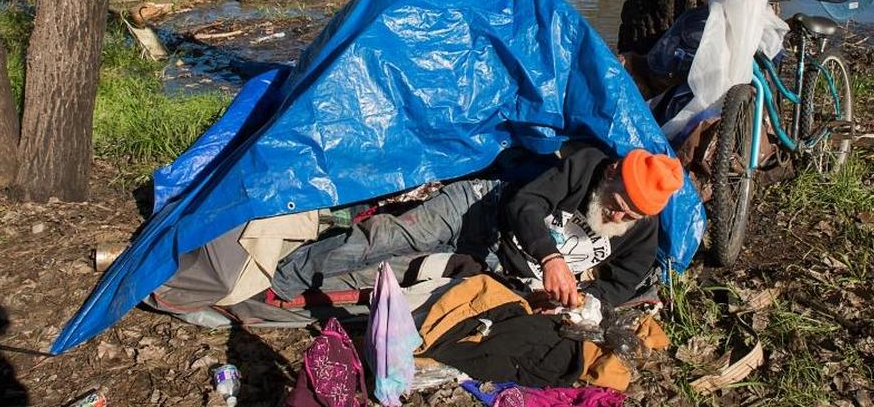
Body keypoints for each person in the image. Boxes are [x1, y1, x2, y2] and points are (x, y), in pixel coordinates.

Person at [270, 146, 683, 309]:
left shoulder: (641, 231)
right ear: (612, 173)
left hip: (497, 265)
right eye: (617, 205)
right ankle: (281, 278)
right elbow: (525, 204)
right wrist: (551, 258)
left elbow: (621, 283)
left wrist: (579, 300)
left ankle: (305, 294)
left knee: (391, 280)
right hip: (478, 209)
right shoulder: (586, 164)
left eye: (630, 216)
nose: (617, 218)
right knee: (388, 235)